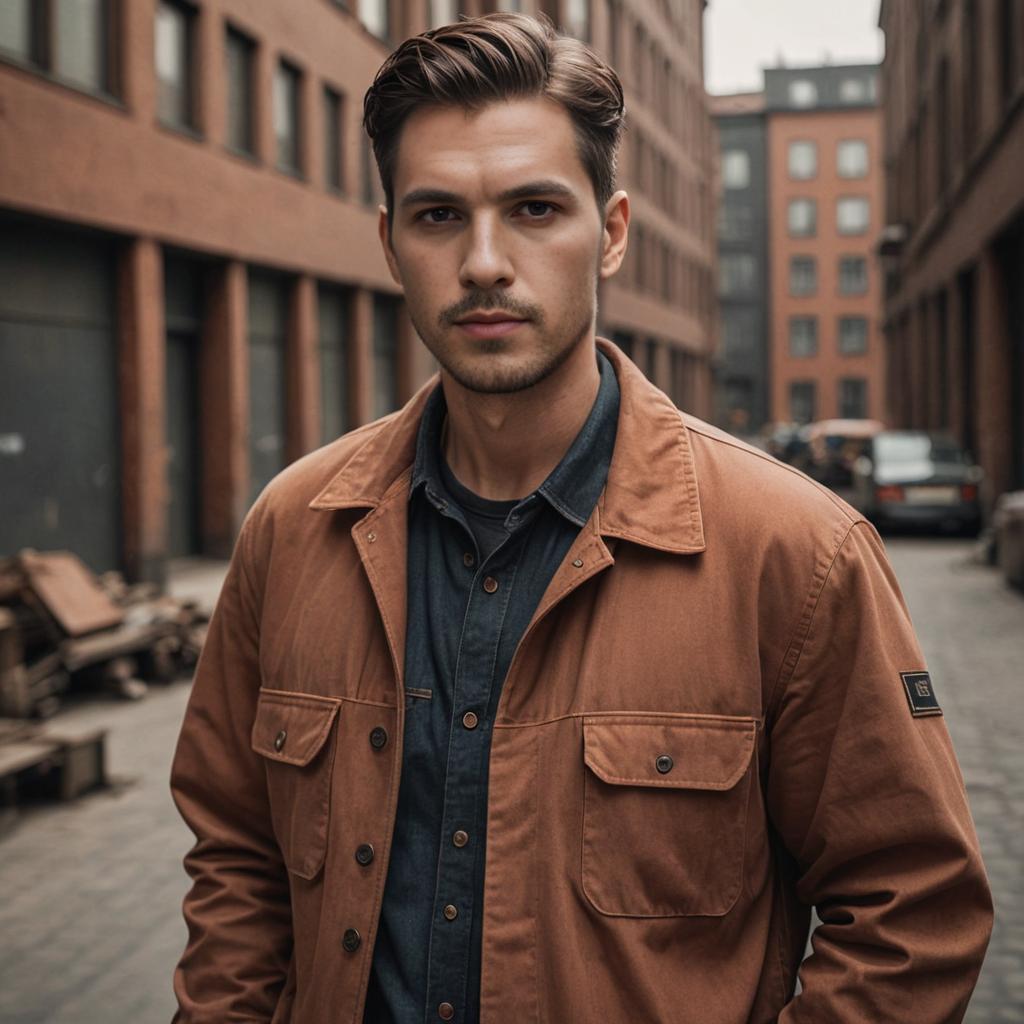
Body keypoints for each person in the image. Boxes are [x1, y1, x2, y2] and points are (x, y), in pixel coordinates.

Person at [170, 13, 992, 1023]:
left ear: (608, 233)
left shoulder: (795, 552)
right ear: (388, 244)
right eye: (436, 216)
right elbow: (238, 861)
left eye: (532, 208)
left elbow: (913, 912)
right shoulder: (292, 532)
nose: (482, 262)